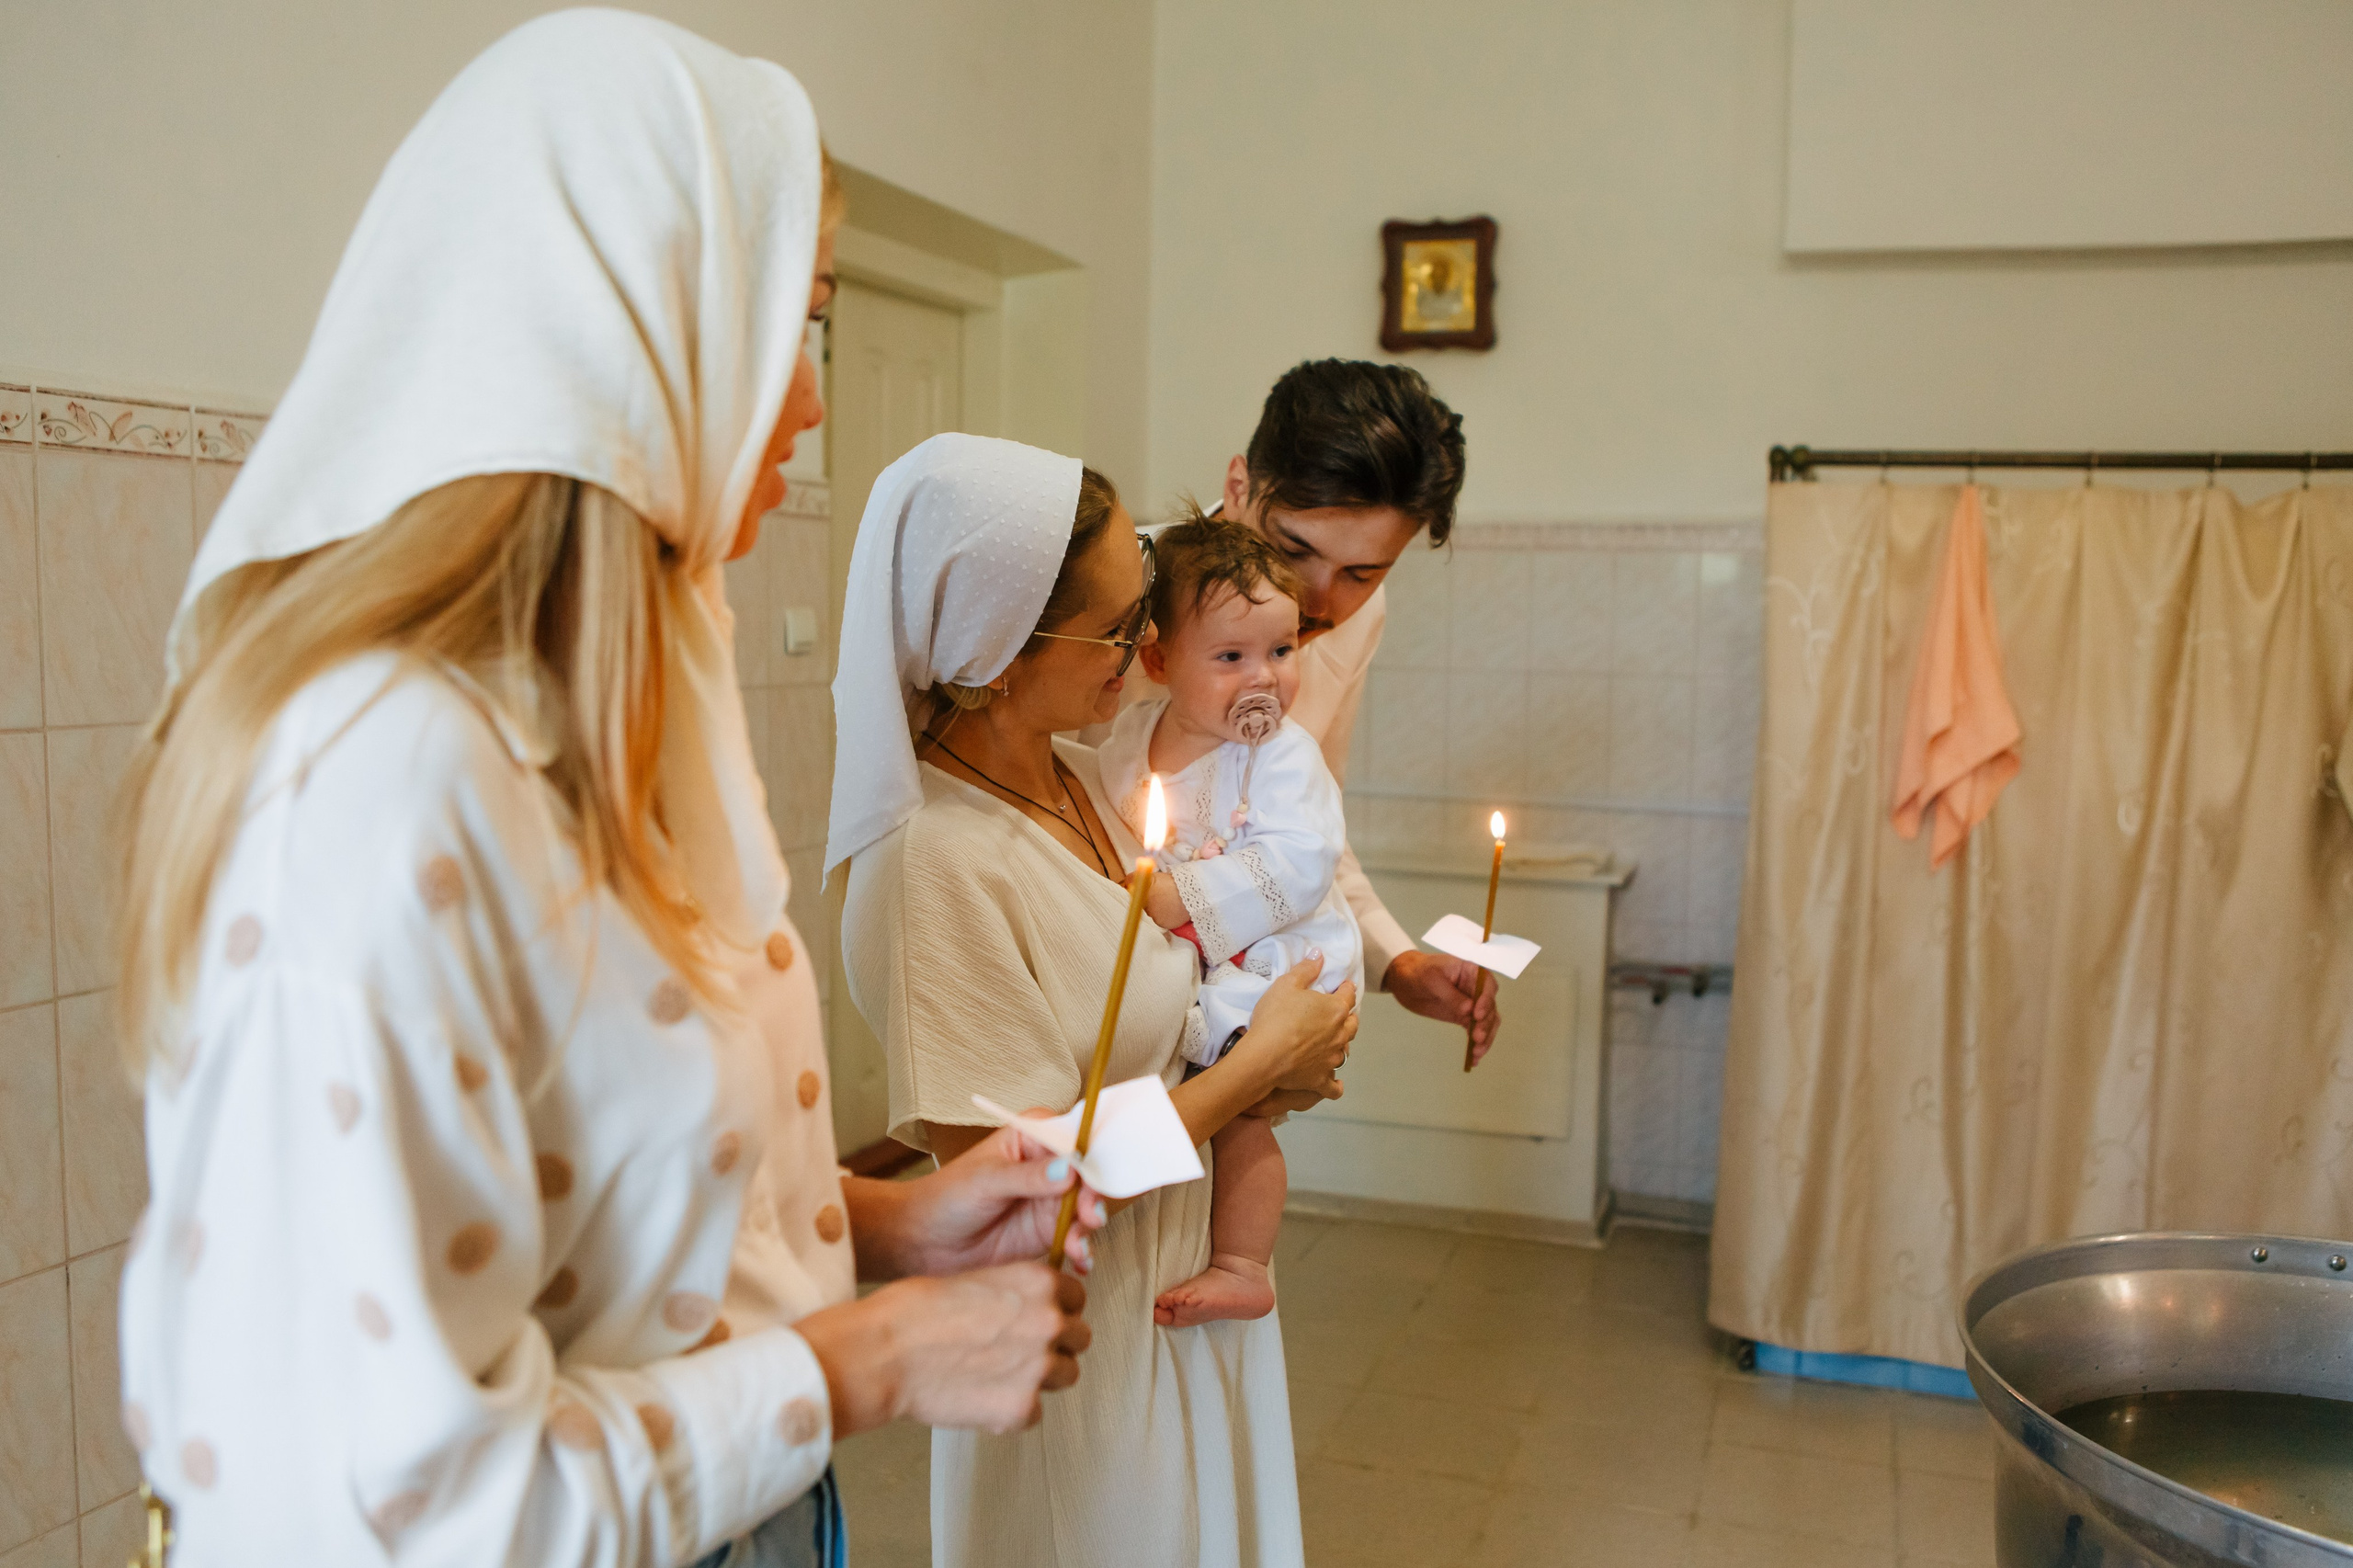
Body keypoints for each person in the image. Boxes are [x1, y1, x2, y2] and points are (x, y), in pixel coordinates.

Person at [113, 16, 1100, 1566]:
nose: (816, 406)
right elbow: (401, 1506)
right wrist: (879, 1354)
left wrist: (879, 1227)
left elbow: (608, 1207)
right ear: (628, 320)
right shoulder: (378, 780)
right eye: (804, 321)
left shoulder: (628, 694)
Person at [828, 435, 1358, 1567]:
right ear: (997, 650)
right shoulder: (935, 860)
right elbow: (1013, 1178)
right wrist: (1255, 1068)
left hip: (1176, 1282)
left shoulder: (1077, 774)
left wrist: (1282, 1040)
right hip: (1080, 1335)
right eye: (1119, 627)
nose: (1146, 649)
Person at [1107, 359, 1497, 1059]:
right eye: (1294, 548)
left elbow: (1304, 814)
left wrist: (1398, 963)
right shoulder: (1131, 587)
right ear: (1238, 486)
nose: (1318, 601)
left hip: (1230, 994)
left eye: (1362, 572)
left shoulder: (1358, 616)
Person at [1096, 513, 1359, 1328]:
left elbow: (1303, 859)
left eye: (1282, 652)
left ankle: (1246, 1262)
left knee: (1240, 1110)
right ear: (1158, 660)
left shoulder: (1281, 755)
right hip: (1203, 961)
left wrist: (1183, 901)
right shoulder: (1127, 740)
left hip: (1285, 956)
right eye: (1232, 657)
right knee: (1197, 1098)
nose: (1265, 679)